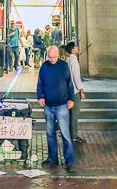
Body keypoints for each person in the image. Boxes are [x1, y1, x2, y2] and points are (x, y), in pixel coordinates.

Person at [36, 45, 76, 173]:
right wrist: (40, 96)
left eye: (54, 57)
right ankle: (53, 158)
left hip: (62, 105)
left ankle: (69, 161)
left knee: (65, 134)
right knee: (50, 133)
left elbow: (70, 83)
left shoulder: (64, 66)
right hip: (48, 105)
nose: (52, 59)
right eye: (50, 57)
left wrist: (71, 99)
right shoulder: (44, 66)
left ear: (58, 55)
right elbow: (40, 83)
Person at [64, 41, 86, 144]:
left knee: (69, 114)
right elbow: (77, 78)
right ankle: (74, 135)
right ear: (73, 50)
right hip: (74, 91)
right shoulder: (74, 61)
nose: (77, 48)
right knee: (75, 114)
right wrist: (81, 90)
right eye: (76, 47)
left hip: (67, 90)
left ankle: (67, 133)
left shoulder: (67, 60)